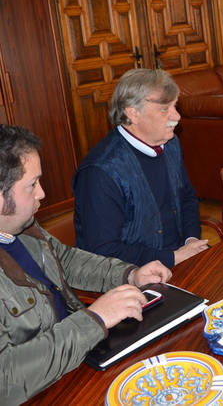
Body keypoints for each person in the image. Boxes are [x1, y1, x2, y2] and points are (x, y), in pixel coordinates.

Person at [0, 125, 172, 403]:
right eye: (32, 185)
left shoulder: (23, 227)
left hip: (80, 355)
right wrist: (94, 319)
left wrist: (129, 274)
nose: (42, 193)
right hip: (47, 388)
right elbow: (6, 381)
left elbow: (65, 260)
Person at [73, 68, 208, 267]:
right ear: (133, 113)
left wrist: (191, 240)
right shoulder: (100, 172)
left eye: (175, 106)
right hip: (132, 275)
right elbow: (103, 251)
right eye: (165, 109)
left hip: (180, 256)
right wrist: (172, 258)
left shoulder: (170, 144)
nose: (177, 116)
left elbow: (186, 197)